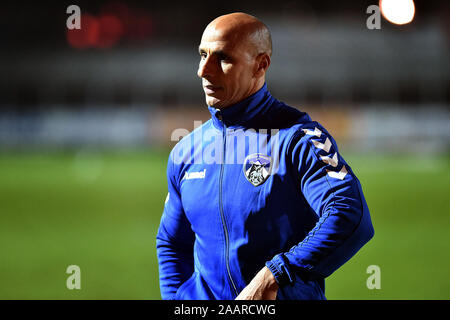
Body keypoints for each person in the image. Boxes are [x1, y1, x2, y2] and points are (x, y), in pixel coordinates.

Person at [156, 12, 374, 300]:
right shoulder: (186, 151)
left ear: (261, 65)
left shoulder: (298, 138)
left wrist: (276, 275)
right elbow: (172, 242)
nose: (204, 70)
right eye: (202, 54)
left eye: (222, 58)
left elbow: (349, 214)